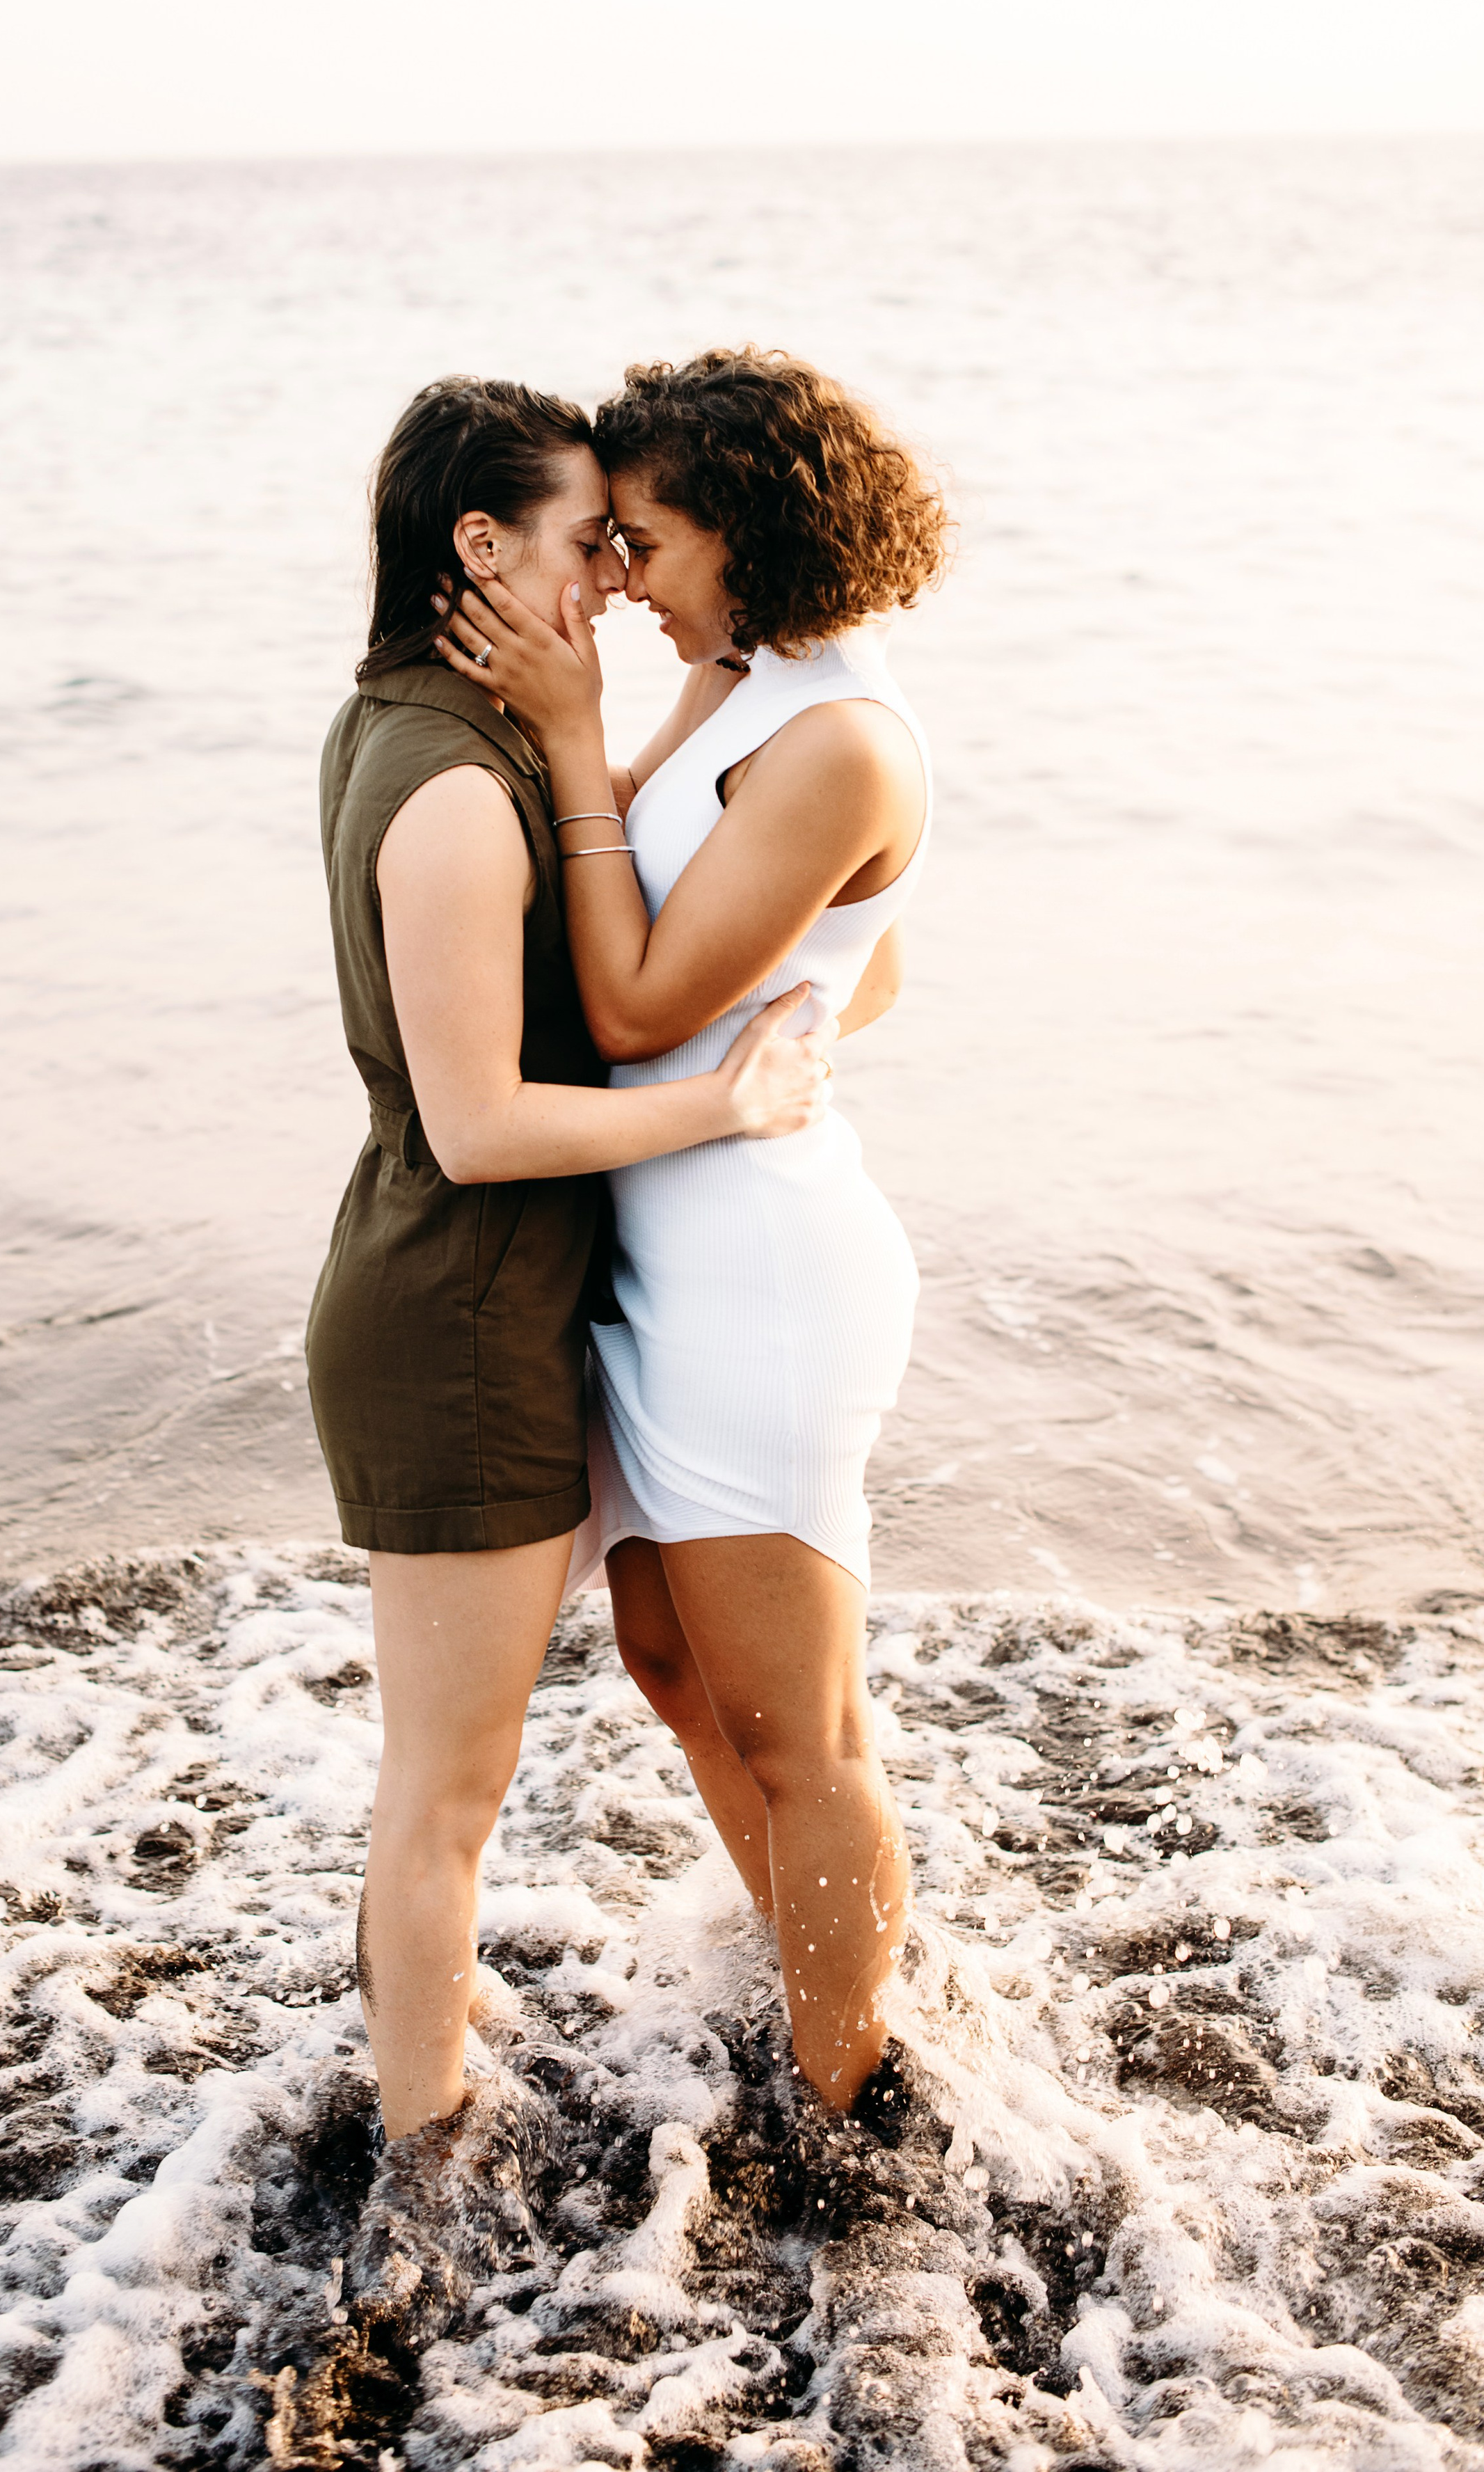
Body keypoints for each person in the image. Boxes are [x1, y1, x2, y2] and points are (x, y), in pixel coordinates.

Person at [305, 375, 833, 2157]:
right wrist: (729, 1106)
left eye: (627, 542)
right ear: (479, 544)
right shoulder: (448, 787)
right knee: (446, 1793)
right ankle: (417, 2160)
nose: (609, 573)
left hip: (521, 1303)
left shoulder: (448, 723)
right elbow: (476, 1126)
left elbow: (645, 825)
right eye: (582, 541)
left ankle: (805, 2001)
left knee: (586, 1710)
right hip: (453, 1319)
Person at [431, 347, 950, 2111]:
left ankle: (848, 2097)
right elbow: (861, 970)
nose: (619, 582)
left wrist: (569, 741)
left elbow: (642, 1001)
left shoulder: (838, 737)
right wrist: (796, 1017)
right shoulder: (736, 680)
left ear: (748, 526)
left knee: (800, 1732)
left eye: (641, 540)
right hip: (668, 1246)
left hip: (761, 1279)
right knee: (667, 1661)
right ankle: (822, 1961)